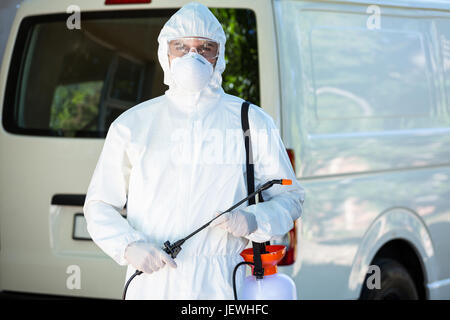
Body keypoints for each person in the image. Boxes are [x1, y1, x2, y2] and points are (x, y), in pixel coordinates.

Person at [83, 2, 305, 300]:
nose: (193, 56)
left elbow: (290, 197)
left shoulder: (250, 121)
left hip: (225, 282)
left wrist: (254, 220)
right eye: (181, 47)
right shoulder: (133, 125)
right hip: (153, 282)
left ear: (219, 55)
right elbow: (98, 204)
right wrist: (128, 246)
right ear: (166, 53)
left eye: (204, 48)